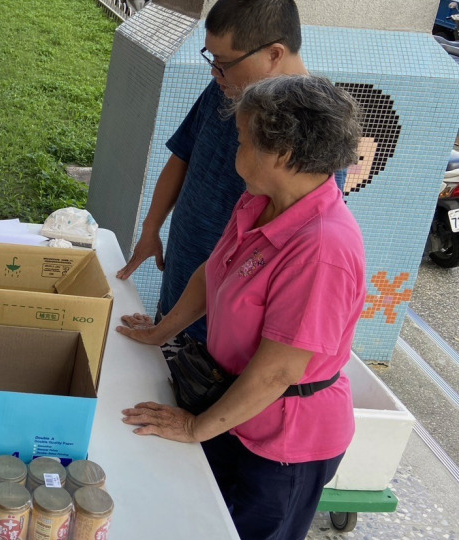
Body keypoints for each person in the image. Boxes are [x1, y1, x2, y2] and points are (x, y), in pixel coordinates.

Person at [117, 75, 366, 540]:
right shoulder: (259, 200)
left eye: (243, 141)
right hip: (230, 407)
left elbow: (278, 371)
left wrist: (195, 428)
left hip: (281, 444)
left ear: (282, 154)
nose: (236, 151)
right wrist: (159, 332)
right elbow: (214, 273)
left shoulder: (322, 248)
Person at [116, 0, 346, 352]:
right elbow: (183, 154)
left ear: (274, 54)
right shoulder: (227, 87)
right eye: (211, 59)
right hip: (185, 287)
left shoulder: (310, 132)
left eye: (223, 62)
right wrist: (151, 229)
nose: (214, 73)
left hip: (227, 329)